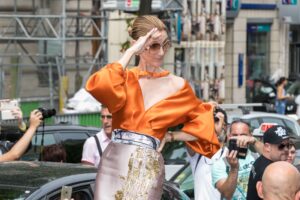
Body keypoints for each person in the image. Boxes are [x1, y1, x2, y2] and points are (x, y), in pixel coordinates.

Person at [85, 15, 220, 199]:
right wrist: (130, 51)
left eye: (165, 45)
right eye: (154, 46)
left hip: (148, 165)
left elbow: (204, 121)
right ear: (139, 45)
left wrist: (172, 135)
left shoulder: (177, 85)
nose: (161, 52)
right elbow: (98, 85)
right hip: (112, 162)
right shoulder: (124, 78)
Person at [211, 119, 263, 200]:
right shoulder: (220, 163)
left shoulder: (257, 156)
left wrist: (255, 141)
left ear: (250, 135)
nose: (239, 138)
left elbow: (272, 156)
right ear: (229, 137)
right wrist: (234, 169)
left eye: (243, 135)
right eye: (235, 135)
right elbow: (227, 194)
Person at [187, 107, 228, 200]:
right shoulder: (198, 154)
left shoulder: (230, 155)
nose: (213, 126)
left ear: (225, 126)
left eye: (217, 121)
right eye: (211, 122)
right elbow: (190, 131)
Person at [247, 125, 290, 200]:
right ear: (267, 147)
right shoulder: (271, 171)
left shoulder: (261, 160)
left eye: (288, 145)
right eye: (281, 146)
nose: (286, 149)